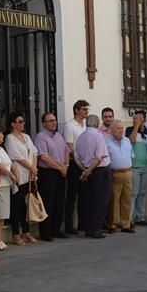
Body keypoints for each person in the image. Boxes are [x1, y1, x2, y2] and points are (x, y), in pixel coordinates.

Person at [74, 115, 112, 238]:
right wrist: (89, 171)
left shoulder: (80, 137)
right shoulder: (98, 136)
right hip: (99, 171)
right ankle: (94, 229)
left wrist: (84, 170)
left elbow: (76, 157)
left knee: (88, 200)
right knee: (100, 201)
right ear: (97, 123)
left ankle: (87, 226)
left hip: (86, 170)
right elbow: (98, 157)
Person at [4, 111, 39, 245]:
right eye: (19, 121)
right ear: (13, 124)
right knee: (16, 205)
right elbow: (16, 156)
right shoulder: (9, 138)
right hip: (19, 174)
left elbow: (34, 152)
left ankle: (26, 231)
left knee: (25, 204)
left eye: (23, 121)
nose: (23, 123)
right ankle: (15, 234)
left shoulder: (26, 137)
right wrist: (31, 168)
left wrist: (33, 169)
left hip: (30, 174)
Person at [33, 112, 67, 241]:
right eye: (50, 121)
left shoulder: (59, 136)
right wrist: (60, 167)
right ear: (44, 123)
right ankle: (45, 232)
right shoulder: (40, 137)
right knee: (48, 202)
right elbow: (44, 157)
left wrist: (65, 166)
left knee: (59, 202)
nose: (54, 122)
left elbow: (66, 151)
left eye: (55, 120)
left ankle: (56, 229)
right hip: (48, 173)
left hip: (61, 172)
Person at [63, 100, 89, 234]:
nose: (86, 111)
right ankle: (69, 225)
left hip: (85, 164)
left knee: (84, 195)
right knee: (72, 195)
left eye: (87, 109)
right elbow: (70, 148)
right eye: (84, 109)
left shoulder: (85, 125)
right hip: (75, 164)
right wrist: (81, 165)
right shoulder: (69, 126)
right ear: (77, 110)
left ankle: (82, 223)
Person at [105, 119, 134, 232]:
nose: (121, 130)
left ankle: (125, 223)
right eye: (118, 128)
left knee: (126, 199)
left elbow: (131, 155)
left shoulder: (127, 140)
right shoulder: (107, 142)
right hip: (115, 173)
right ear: (111, 130)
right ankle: (113, 223)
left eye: (122, 128)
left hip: (127, 172)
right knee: (114, 199)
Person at [0, 124, 15, 251]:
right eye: (0, 134)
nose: (2, 136)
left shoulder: (0, 149)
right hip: (0, 183)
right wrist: (11, 174)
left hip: (6, 183)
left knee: (3, 213)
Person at [128, 109, 147, 227]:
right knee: (133, 193)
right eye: (134, 118)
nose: (135, 120)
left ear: (144, 119)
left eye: (138, 118)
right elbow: (131, 141)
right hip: (134, 167)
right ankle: (129, 219)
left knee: (142, 193)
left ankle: (140, 217)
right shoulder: (129, 130)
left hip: (146, 166)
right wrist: (136, 126)